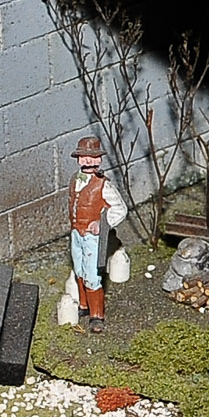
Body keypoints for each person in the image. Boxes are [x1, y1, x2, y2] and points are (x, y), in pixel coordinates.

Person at [67, 136, 126, 333]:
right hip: (76, 232)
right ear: (78, 159)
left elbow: (119, 209)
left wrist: (102, 224)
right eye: (83, 156)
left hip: (92, 237)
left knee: (92, 274)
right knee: (79, 270)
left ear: (99, 159)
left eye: (92, 157)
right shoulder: (74, 180)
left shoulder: (103, 185)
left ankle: (97, 315)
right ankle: (84, 305)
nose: (87, 160)